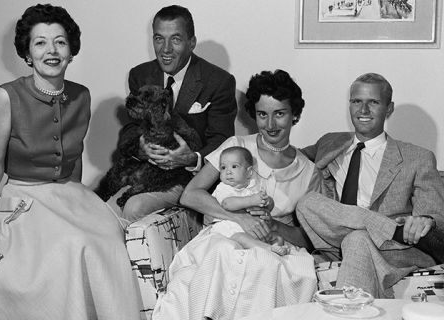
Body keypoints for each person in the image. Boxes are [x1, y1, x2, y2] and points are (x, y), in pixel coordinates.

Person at [0, 4, 140, 319]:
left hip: (70, 196)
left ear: (71, 51)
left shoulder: (82, 96)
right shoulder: (4, 98)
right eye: (41, 42)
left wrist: (81, 203)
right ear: (27, 53)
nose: (52, 50)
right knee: (69, 246)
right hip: (24, 199)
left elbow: (72, 162)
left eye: (60, 42)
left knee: (107, 243)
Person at [152, 70, 319, 320]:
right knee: (222, 253)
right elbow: (191, 195)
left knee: (263, 264)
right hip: (224, 235)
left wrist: (272, 226)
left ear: (295, 115)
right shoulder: (237, 145)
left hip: (270, 245)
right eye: (263, 114)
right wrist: (239, 219)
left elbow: (308, 238)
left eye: (280, 114)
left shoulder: (308, 171)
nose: (270, 125)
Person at [296, 73, 444, 299]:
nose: (363, 110)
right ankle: (393, 229)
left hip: (394, 250)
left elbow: (438, 218)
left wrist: (425, 221)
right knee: (307, 202)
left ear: (389, 109)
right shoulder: (330, 142)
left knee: (357, 239)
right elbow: (290, 158)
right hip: (336, 241)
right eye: (356, 101)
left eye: (373, 102)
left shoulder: (417, 157)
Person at [107, 5, 237, 225]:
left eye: (175, 39)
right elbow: (130, 128)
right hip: (144, 173)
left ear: (191, 42)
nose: (165, 49)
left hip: (187, 179)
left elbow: (222, 141)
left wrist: (191, 159)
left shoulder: (219, 81)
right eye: (159, 39)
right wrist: (141, 146)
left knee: (133, 209)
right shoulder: (140, 75)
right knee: (103, 212)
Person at [210, 146, 290, 256]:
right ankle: (267, 249)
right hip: (231, 228)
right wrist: (251, 200)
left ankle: (275, 247)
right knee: (242, 238)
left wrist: (268, 202)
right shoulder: (223, 187)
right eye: (223, 168)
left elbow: (265, 207)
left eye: (234, 166)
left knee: (277, 237)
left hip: (254, 227)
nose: (228, 171)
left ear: (249, 172)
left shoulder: (255, 185)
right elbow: (227, 204)